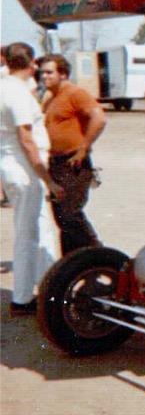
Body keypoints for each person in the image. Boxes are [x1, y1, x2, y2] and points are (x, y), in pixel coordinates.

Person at [0, 43, 62, 314]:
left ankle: (48, 284)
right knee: (27, 234)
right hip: (25, 169)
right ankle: (22, 298)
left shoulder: (4, 87)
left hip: (13, 165)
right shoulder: (17, 93)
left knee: (41, 227)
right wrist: (47, 179)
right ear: (32, 63)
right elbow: (26, 139)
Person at [39, 54, 106, 254]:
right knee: (61, 216)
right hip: (55, 162)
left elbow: (99, 118)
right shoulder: (50, 97)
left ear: (63, 74)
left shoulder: (75, 93)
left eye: (49, 72)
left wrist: (84, 147)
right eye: (42, 73)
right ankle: (71, 261)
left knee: (70, 213)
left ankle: (98, 254)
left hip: (74, 162)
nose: (44, 76)